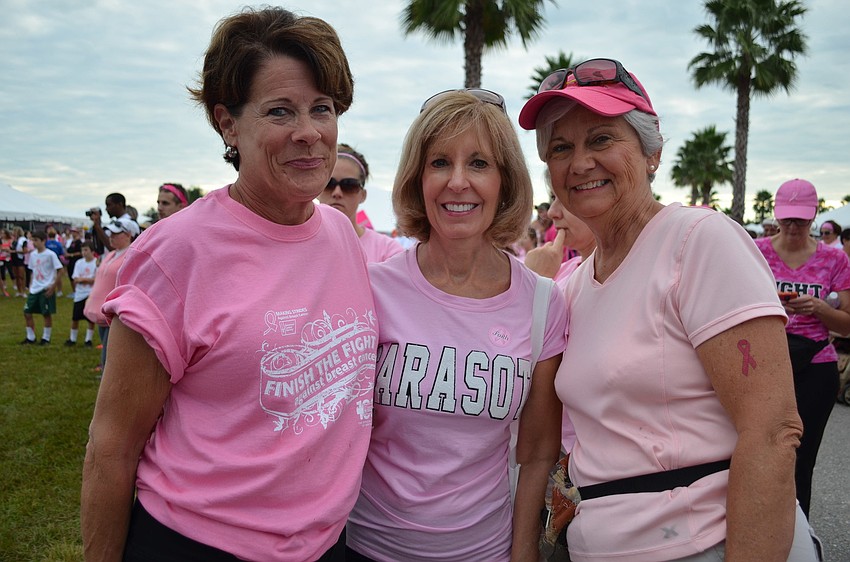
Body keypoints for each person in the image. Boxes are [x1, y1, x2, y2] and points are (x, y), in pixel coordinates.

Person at [80, 8, 376, 562]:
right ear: (228, 124)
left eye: (323, 108)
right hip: (198, 543)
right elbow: (111, 447)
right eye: (280, 110)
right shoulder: (177, 251)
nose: (309, 133)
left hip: (325, 544)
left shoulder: (341, 236)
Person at [519, 57, 816, 561]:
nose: (580, 162)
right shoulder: (576, 288)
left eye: (601, 139)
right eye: (561, 148)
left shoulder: (698, 241)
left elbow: (771, 430)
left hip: (706, 544)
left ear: (651, 151)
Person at [346, 89, 567, 562]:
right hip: (364, 547)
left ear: (506, 181)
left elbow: (539, 450)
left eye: (480, 163)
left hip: (483, 551)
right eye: (440, 162)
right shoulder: (369, 289)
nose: (458, 182)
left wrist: (523, 551)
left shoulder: (544, 304)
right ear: (417, 178)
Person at [754, 178, 850, 519]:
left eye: (802, 220)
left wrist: (821, 309)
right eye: (787, 219)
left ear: (814, 216)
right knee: (753, 451)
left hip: (815, 362)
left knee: (801, 457)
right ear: (777, 216)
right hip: (762, 359)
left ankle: (797, 536)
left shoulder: (835, 260)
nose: (794, 226)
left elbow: (846, 324)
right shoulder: (756, 250)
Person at [318, 144, 403, 263]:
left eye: (349, 185)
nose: (337, 192)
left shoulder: (387, 251)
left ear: (362, 195)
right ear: (317, 190)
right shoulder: (297, 244)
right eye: (329, 184)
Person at [83, 218, 140, 370]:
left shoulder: (131, 256)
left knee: (109, 352)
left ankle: (106, 378)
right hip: (101, 311)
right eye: (111, 233)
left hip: (114, 312)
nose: (111, 237)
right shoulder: (111, 254)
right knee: (106, 346)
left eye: (116, 234)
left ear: (128, 235)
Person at [21, 230, 64, 345]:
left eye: (36, 240)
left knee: (46, 313)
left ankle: (46, 338)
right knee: (27, 312)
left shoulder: (50, 254)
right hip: (35, 288)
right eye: (32, 240)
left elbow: (60, 270)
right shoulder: (33, 255)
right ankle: (30, 337)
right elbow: (32, 271)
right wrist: (30, 285)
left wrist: (53, 286)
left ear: (43, 241)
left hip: (46, 287)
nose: (34, 243)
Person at [65, 242, 97, 347]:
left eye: (86, 250)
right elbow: (75, 278)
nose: (84, 252)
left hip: (90, 294)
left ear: (92, 251)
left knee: (90, 319)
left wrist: (83, 279)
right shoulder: (79, 263)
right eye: (83, 250)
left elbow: (96, 280)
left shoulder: (96, 263)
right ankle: (72, 338)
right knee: (75, 318)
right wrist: (86, 280)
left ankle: (88, 339)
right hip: (79, 294)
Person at [11, 226, 29, 297]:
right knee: (16, 276)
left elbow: (25, 251)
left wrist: (15, 251)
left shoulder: (23, 240)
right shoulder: (14, 241)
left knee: (21, 276)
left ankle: (23, 291)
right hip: (14, 259)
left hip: (20, 259)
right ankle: (19, 291)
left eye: (14, 231)